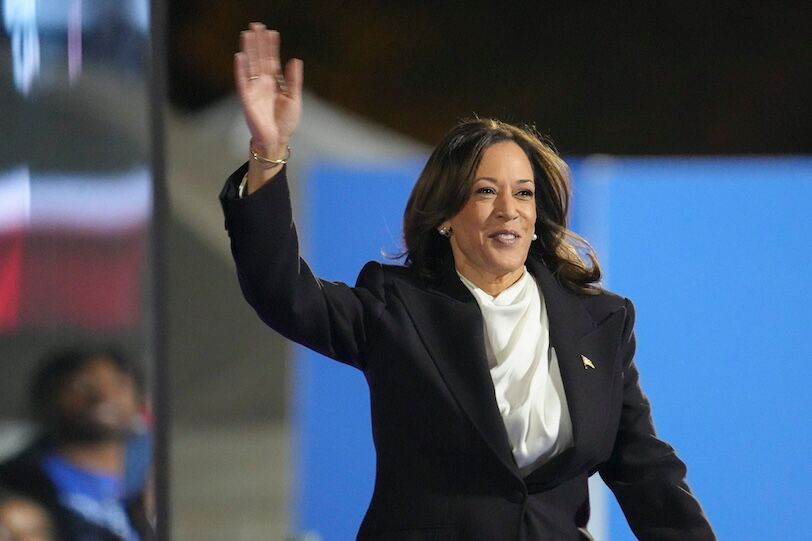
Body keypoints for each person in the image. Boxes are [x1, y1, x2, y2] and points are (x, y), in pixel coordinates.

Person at [220, 23, 716, 540]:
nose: (509, 211)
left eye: (523, 193)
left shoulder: (600, 320)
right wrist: (267, 151)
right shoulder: (398, 307)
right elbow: (281, 292)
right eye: (485, 191)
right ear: (445, 215)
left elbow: (643, 468)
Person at [0, 347, 152, 541]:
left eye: (119, 384)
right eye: (84, 385)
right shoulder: (17, 485)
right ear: (52, 397)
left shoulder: (148, 482)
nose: (104, 397)